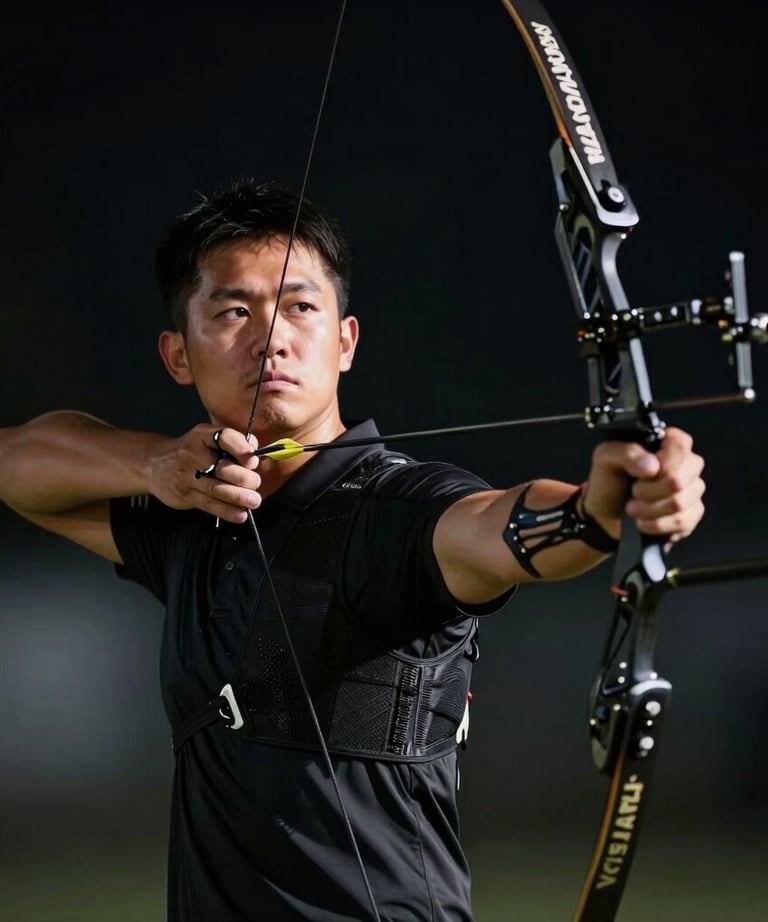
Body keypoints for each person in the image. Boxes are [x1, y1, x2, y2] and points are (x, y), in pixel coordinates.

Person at [0, 179, 705, 922]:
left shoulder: (397, 510)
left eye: (300, 307)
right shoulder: (193, 512)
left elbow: (498, 526)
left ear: (345, 343)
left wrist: (606, 505)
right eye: (234, 311)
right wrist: (153, 466)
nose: (270, 337)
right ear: (179, 355)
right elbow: (20, 462)